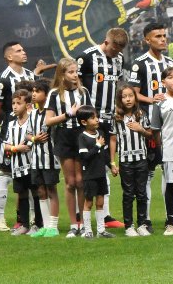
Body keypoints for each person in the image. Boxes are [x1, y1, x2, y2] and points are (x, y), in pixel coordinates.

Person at [77, 27, 128, 230]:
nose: (116, 53)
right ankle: (81, 216)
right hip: (89, 119)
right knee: (86, 166)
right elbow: (76, 83)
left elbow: (116, 85)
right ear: (106, 42)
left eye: (119, 50)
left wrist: (117, 108)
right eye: (114, 49)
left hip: (109, 118)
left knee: (105, 164)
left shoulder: (120, 58)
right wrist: (84, 111)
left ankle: (105, 215)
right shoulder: (86, 57)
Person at [0, 41, 38, 232]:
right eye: (19, 50)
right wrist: (8, 126)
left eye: (23, 49)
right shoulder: (3, 79)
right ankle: (0, 219)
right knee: (6, 174)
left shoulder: (30, 75)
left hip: (31, 131)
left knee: (30, 174)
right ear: (9, 56)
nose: (23, 52)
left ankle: (32, 217)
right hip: (10, 133)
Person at [129, 22, 173, 229]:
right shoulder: (139, 64)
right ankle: (145, 218)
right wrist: (152, 100)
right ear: (147, 40)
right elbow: (133, 94)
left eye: (164, 35)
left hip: (170, 124)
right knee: (148, 172)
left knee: (169, 169)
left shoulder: (170, 62)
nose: (163, 39)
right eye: (158, 36)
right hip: (148, 124)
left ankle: (171, 216)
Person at [44, 57, 92, 238]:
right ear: (62, 74)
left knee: (81, 181)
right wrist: (68, 114)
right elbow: (48, 121)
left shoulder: (83, 92)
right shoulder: (55, 94)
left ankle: (84, 223)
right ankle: (73, 225)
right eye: (71, 72)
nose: (75, 75)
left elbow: (90, 115)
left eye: (76, 71)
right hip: (64, 137)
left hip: (81, 137)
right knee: (70, 182)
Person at [110, 84, 152, 236]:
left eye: (130, 96)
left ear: (135, 98)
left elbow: (150, 134)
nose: (128, 99)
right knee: (128, 194)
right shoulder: (116, 117)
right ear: (120, 99)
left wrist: (141, 129)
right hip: (125, 161)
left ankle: (142, 224)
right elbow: (113, 139)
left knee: (141, 193)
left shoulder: (141, 114)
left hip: (141, 159)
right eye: (124, 97)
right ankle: (129, 226)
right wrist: (113, 162)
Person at [149, 65, 173, 235]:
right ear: (163, 82)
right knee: (171, 186)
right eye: (170, 77)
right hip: (170, 150)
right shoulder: (160, 102)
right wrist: (161, 148)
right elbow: (155, 130)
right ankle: (171, 221)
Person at [28, 80, 60, 238]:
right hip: (36, 159)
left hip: (50, 158)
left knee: (51, 190)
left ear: (46, 95)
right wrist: (34, 138)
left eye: (38, 91)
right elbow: (28, 134)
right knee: (40, 191)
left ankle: (54, 226)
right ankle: (46, 226)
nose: (33, 94)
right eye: (33, 91)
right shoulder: (32, 114)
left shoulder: (51, 114)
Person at [77, 105, 114, 238]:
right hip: (90, 175)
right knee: (88, 203)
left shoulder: (100, 134)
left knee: (100, 202)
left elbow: (104, 154)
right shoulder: (82, 137)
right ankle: (88, 231)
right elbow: (84, 157)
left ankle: (101, 230)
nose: (97, 119)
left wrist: (111, 165)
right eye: (93, 118)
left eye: (97, 117)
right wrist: (97, 146)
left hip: (101, 174)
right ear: (84, 122)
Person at [4, 90, 34, 236]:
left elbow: (32, 142)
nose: (15, 106)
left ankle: (38, 223)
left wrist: (21, 146)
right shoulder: (11, 125)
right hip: (16, 166)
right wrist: (16, 148)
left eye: (18, 103)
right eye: (13, 103)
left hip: (31, 165)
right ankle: (25, 225)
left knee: (36, 193)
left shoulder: (32, 121)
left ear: (27, 105)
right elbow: (6, 146)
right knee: (21, 194)